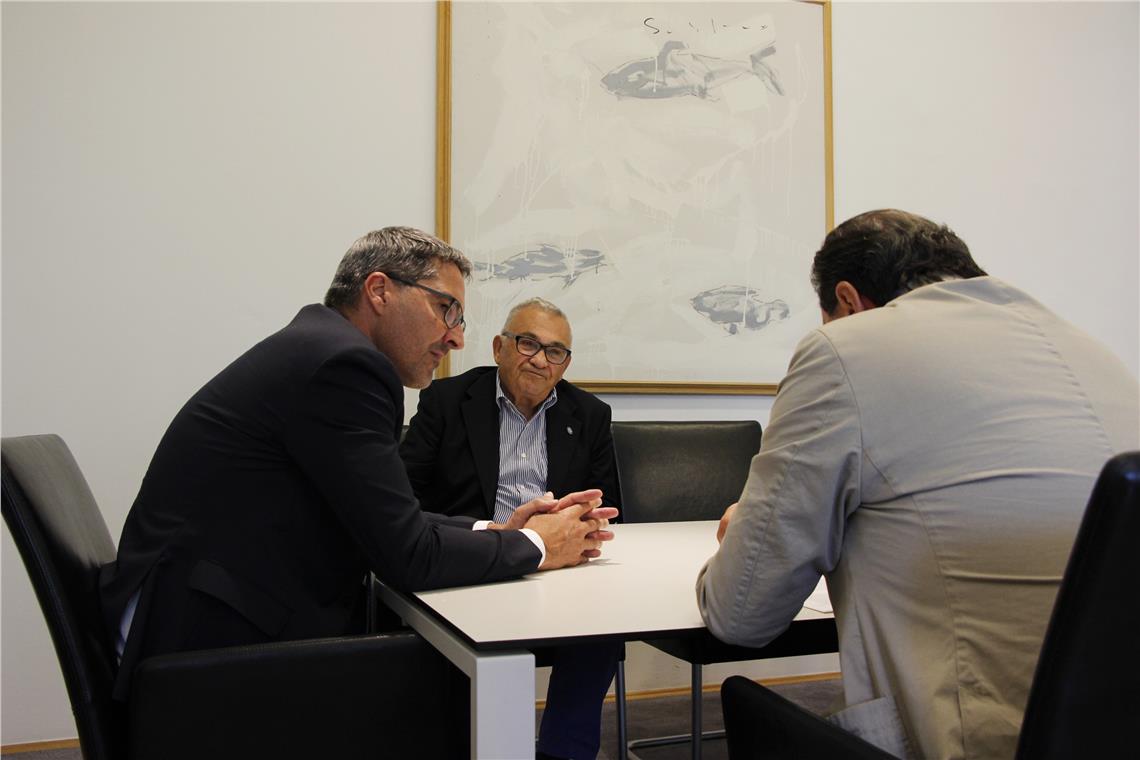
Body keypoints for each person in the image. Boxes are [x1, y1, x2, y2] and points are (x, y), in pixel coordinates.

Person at [100, 227, 613, 705]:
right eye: (446, 309)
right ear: (379, 291)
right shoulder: (346, 367)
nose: (456, 337)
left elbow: (387, 517)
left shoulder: (321, 348)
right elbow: (406, 554)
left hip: (207, 612)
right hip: (205, 644)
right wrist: (538, 544)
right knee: (447, 684)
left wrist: (497, 530)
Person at [696, 209, 1139, 759]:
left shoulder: (844, 348)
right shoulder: (1089, 349)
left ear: (848, 301)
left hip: (984, 739)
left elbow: (742, 616)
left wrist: (746, 529)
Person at [401, 297, 621, 760]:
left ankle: (564, 753)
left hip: (557, 573)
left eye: (555, 351)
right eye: (528, 344)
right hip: (472, 565)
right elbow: (405, 500)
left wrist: (577, 521)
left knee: (603, 631)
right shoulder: (446, 401)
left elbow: (609, 508)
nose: (540, 360)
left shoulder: (590, 414)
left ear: (565, 364)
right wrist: (496, 531)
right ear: (499, 348)